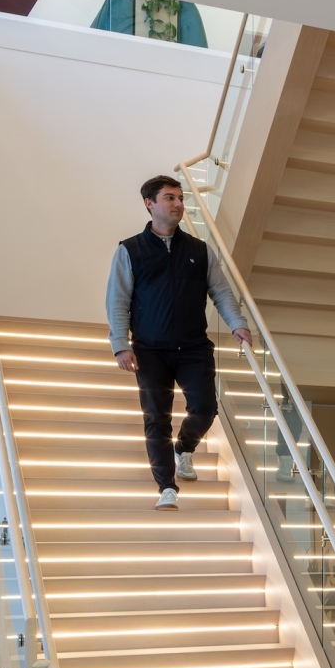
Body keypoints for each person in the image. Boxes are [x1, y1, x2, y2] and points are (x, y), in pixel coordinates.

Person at [107, 175, 250, 510]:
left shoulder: (199, 251)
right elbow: (117, 300)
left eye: (180, 198)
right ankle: (166, 487)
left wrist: (237, 325)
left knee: (205, 407)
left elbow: (222, 292)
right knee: (157, 417)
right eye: (169, 198)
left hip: (193, 347)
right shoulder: (130, 250)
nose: (178, 204)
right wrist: (120, 343)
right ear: (150, 204)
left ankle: (184, 447)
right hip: (150, 349)